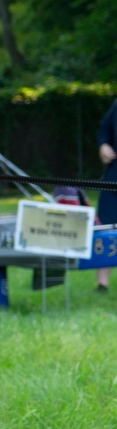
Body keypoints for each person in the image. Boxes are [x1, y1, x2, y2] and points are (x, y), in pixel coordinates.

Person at [96, 98, 117, 292]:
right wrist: (103, 145)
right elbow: (104, 129)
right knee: (105, 227)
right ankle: (102, 283)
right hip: (113, 177)